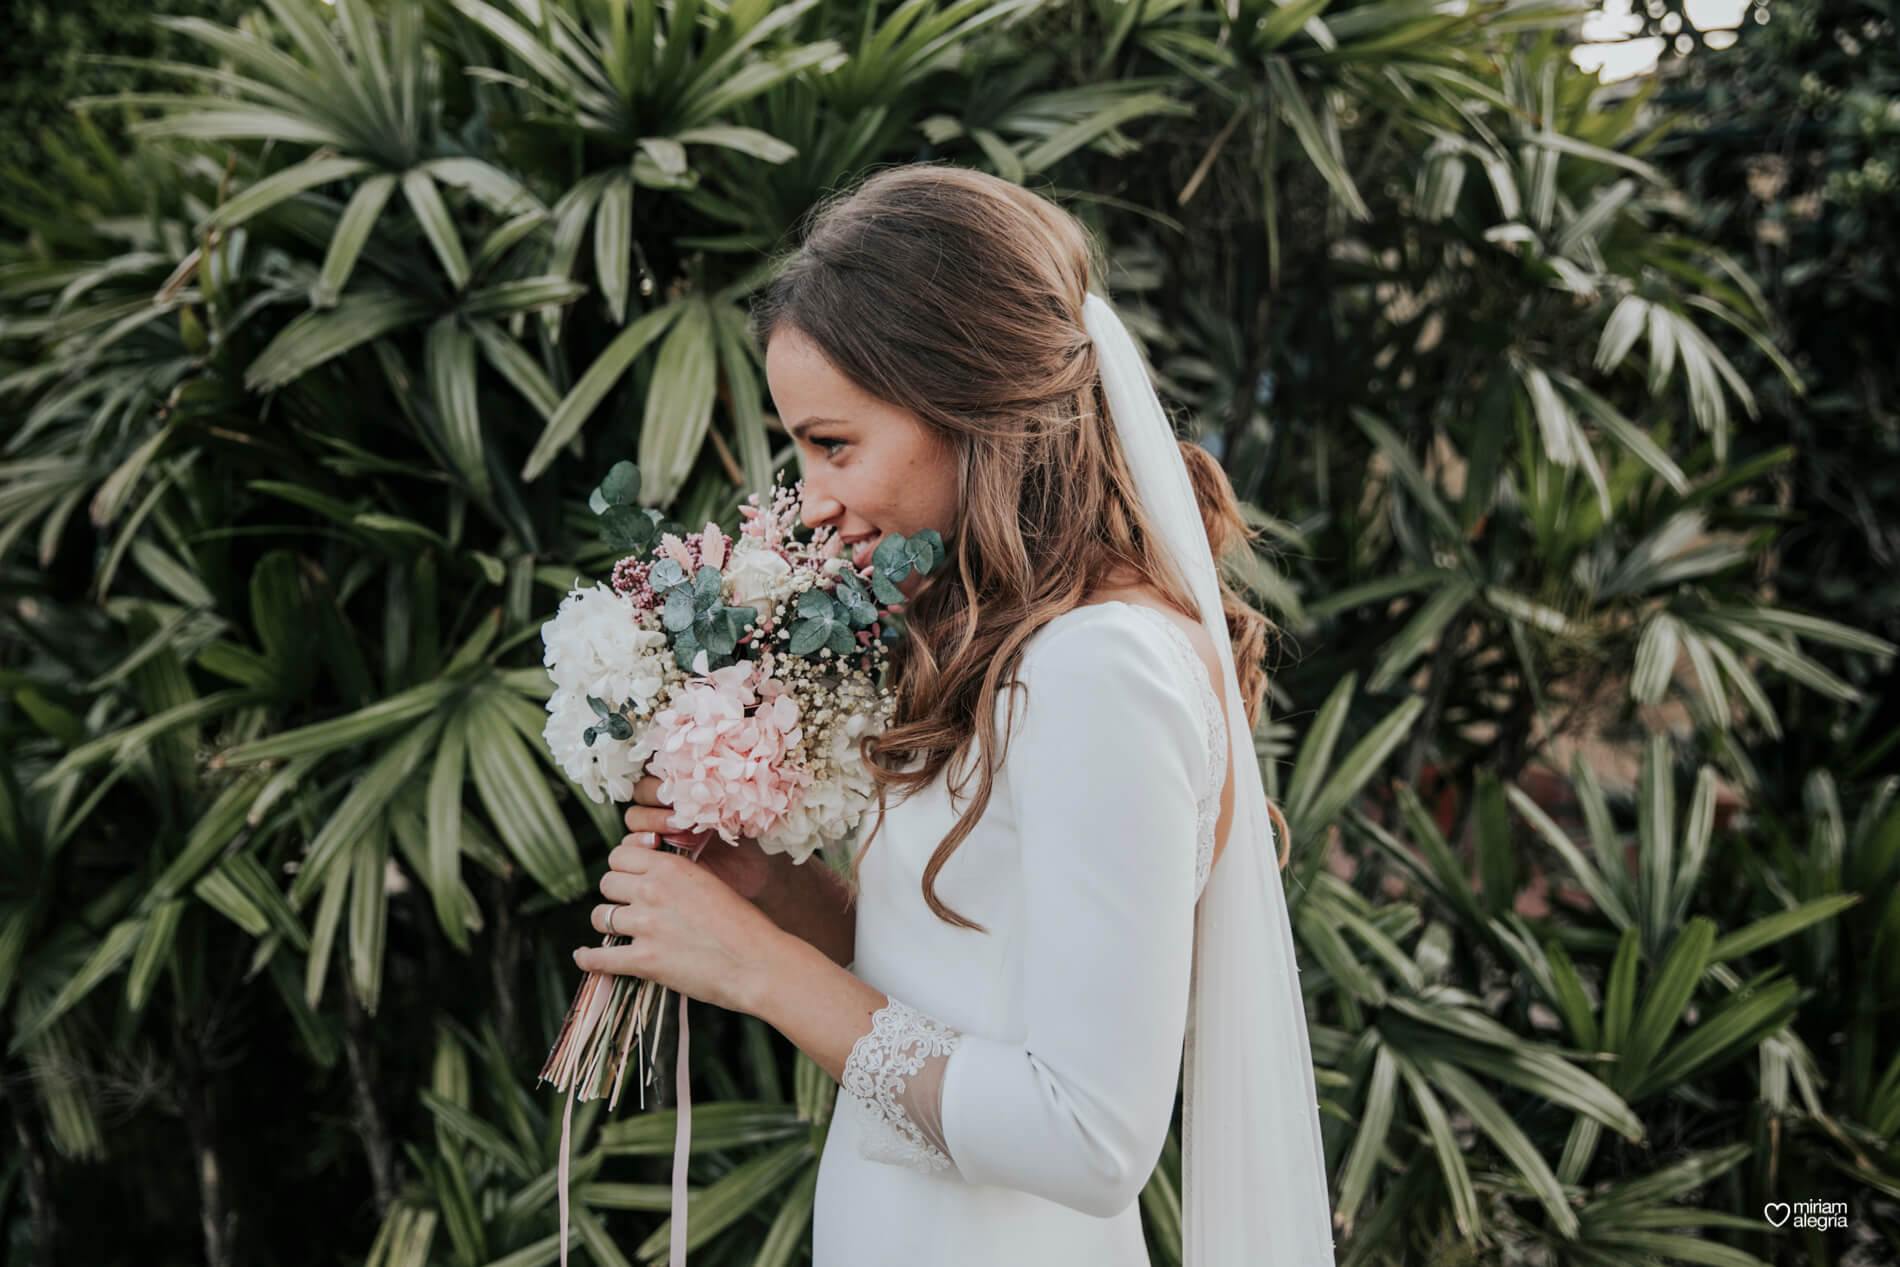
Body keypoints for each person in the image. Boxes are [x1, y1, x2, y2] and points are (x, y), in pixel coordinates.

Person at [574, 163, 1336, 1265]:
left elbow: (1088, 1134)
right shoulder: (1001, 648)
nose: (810, 495)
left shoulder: (1100, 668)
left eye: (833, 444)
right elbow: (967, 993)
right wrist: (784, 898)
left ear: (973, 410)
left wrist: (760, 969)